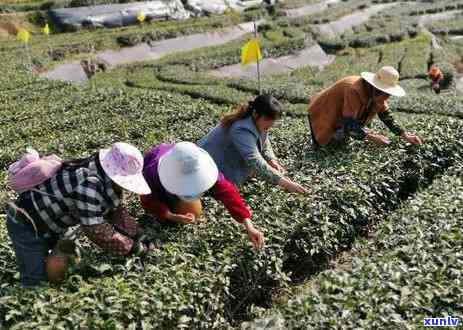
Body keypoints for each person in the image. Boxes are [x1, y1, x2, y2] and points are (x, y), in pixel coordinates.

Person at [6, 142, 155, 287]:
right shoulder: (89, 183)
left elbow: (115, 212)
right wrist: (133, 248)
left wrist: (139, 235)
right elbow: (95, 229)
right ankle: (33, 297)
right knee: (35, 280)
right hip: (26, 224)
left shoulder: (101, 174)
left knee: (65, 261)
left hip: (53, 222)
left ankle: (52, 275)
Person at [141, 142, 264, 249]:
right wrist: (169, 215)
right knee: (164, 211)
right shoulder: (151, 171)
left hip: (178, 162)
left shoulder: (203, 166)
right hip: (157, 176)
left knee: (191, 210)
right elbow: (148, 200)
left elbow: (228, 193)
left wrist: (249, 225)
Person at [198, 94, 307, 194]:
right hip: (208, 171)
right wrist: (286, 184)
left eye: (273, 120)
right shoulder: (241, 129)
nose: (270, 123)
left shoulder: (256, 122)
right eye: (267, 119)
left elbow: (264, 141)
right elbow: (254, 160)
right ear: (256, 114)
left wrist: (272, 160)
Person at [307, 66, 423, 148]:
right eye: (385, 93)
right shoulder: (354, 90)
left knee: (342, 141)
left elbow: (386, 116)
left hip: (343, 116)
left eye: (389, 94)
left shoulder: (376, 94)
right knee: (324, 143)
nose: (386, 98)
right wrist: (372, 137)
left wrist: (404, 134)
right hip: (324, 110)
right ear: (376, 89)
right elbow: (349, 123)